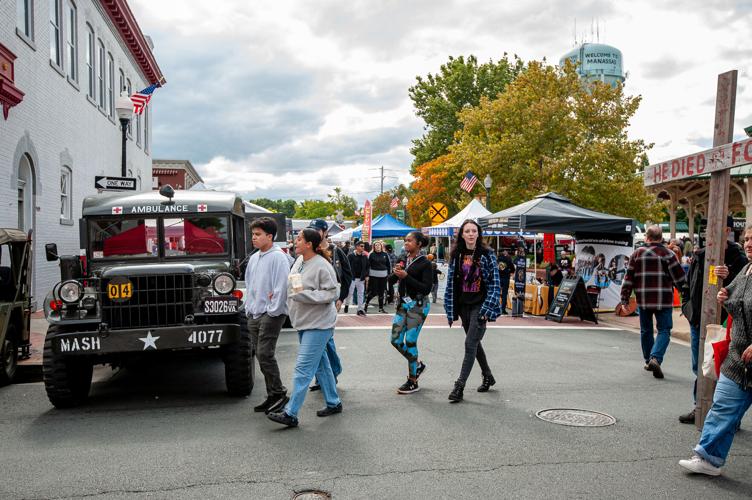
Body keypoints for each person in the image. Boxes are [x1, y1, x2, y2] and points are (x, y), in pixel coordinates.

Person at [678, 225, 752, 476]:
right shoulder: (746, 270)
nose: (750, 243)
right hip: (737, 358)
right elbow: (737, 306)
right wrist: (724, 295)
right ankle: (707, 458)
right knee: (721, 407)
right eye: (748, 238)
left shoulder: (741, 263)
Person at [267, 229, 342, 428]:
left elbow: (332, 293)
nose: (295, 242)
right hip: (304, 322)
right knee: (321, 366)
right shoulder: (299, 261)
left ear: (309, 244)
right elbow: (293, 287)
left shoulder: (321, 265)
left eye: (299, 239)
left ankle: (291, 412)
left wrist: (304, 296)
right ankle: (333, 402)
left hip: (318, 324)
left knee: (303, 369)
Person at [444, 220, 502, 402]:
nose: (470, 234)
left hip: (481, 305)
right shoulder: (457, 255)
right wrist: (450, 309)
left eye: (473, 231)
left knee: (470, 345)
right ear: (462, 234)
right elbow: (451, 284)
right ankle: (488, 376)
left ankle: (459, 386)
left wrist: (487, 308)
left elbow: (495, 284)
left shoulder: (487, 254)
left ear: (478, 234)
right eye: (467, 231)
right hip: (463, 306)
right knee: (475, 343)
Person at [619, 224, 686, 379]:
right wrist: (686, 296)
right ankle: (656, 357)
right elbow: (680, 279)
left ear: (646, 237)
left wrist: (624, 299)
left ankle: (649, 359)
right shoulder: (668, 254)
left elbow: (628, 279)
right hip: (663, 299)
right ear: (661, 238)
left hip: (643, 299)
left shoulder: (637, 254)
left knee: (646, 330)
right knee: (664, 330)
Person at [244, 217, 290, 415]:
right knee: (262, 355)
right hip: (254, 312)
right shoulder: (254, 257)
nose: (253, 238)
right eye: (253, 234)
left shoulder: (278, 257)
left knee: (264, 353)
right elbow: (250, 285)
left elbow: (282, 287)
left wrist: (273, 310)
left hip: (271, 313)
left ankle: (279, 393)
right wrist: (249, 308)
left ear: (269, 236)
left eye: (258, 234)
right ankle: (273, 394)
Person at [306, 219, 353, 392]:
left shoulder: (336, 251)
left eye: (317, 230)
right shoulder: (309, 251)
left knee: (325, 338)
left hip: (331, 298)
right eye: (311, 229)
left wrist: (341, 298)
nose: (314, 232)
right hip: (312, 300)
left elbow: (347, 276)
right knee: (319, 340)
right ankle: (324, 375)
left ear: (325, 232)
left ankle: (332, 372)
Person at [388, 231, 433, 394]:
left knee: (410, 341)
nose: (406, 243)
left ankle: (412, 380)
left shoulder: (425, 263)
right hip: (403, 305)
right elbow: (390, 280)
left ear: (419, 244)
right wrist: (396, 273)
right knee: (395, 340)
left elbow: (426, 288)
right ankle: (418, 364)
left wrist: (406, 276)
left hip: (418, 305)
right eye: (405, 241)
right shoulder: (403, 260)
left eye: (409, 241)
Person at [365, 241, 391, 313]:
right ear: (374, 247)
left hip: (383, 275)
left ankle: (381, 308)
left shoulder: (385, 254)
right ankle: (366, 305)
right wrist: (367, 275)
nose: (377, 246)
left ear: (381, 246)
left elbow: (388, 265)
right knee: (373, 292)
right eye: (376, 245)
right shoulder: (371, 254)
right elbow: (367, 265)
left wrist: (388, 274)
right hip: (374, 275)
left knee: (381, 292)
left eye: (379, 245)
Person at [345, 241, 369, 316]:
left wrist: (366, 275)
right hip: (352, 278)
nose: (363, 247)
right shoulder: (351, 256)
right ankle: (346, 304)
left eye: (363, 246)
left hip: (361, 278)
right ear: (357, 247)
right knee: (350, 293)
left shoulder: (365, 256)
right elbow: (347, 266)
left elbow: (367, 266)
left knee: (361, 294)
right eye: (361, 246)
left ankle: (360, 309)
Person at [497, 249, 515, 314]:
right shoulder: (508, 259)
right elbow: (513, 269)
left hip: (498, 278)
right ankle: (503, 309)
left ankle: (496, 308)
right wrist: (508, 271)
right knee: (504, 294)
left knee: (497, 293)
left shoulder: (497, 259)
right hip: (506, 278)